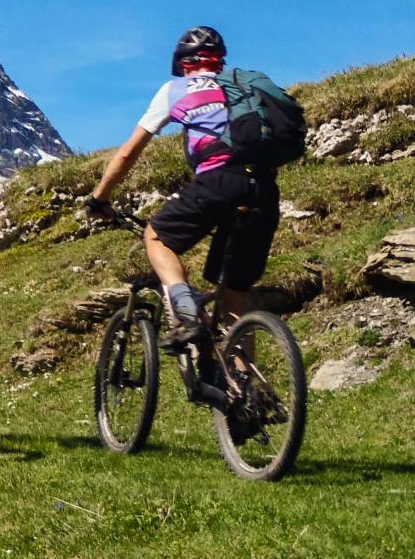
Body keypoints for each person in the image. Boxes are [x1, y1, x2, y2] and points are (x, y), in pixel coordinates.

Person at [86, 26, 280, 347]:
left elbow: (126, 153)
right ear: (219, 60)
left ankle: (186, 311)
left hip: (219, 180)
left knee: (156, 236)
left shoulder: (175, 90)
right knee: (234, 297)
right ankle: (245, 391)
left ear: (183, 64)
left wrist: (100, 197)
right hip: (263, 188)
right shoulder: (243, 87)